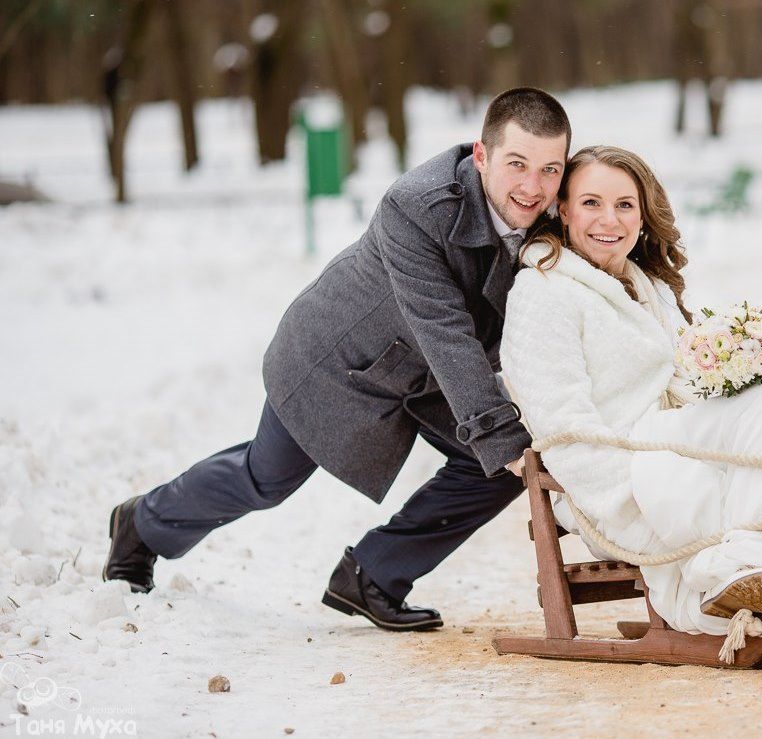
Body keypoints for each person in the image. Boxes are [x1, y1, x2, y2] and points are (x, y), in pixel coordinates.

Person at [104, 88, 571, 631]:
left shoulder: (553, 208)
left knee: (494, 468)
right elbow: (445, 332)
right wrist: (501, 435)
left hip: (422, 373)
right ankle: (142, 523)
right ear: (482, 155)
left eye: (550, 169)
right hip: (339, 356)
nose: (533, 187)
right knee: (266, 477)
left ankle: (371, 575)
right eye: (517, 164)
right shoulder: (417, 207)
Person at [499, 145, 762, 668]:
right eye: (591, 203)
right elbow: (562, 428)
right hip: (621, 474)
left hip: (683, 437)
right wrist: (628, 497)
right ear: (562, 210)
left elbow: (691, 385)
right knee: (688, 467)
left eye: (625, 205)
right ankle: (738, 578)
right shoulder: (542, 292)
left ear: (642, 213)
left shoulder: (647, 285)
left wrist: (737, 372)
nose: (610, 220)